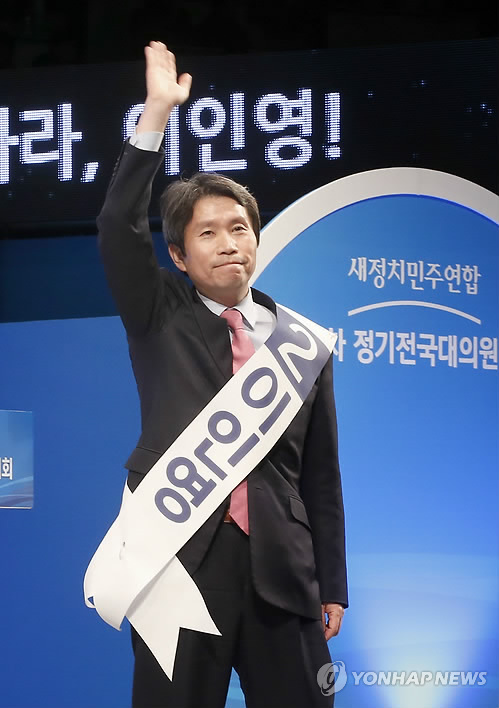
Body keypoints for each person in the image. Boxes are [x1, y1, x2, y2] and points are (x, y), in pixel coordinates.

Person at [97, 40, 348, 708]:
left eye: (239, 228)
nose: (229, 242)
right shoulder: (158, 312)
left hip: (283, 575)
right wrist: (156, 112)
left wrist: (332, 583)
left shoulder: (304, 344)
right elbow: (118, 224)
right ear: (179, 257)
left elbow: (320, 477)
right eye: (207, 233)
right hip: (176, 565)